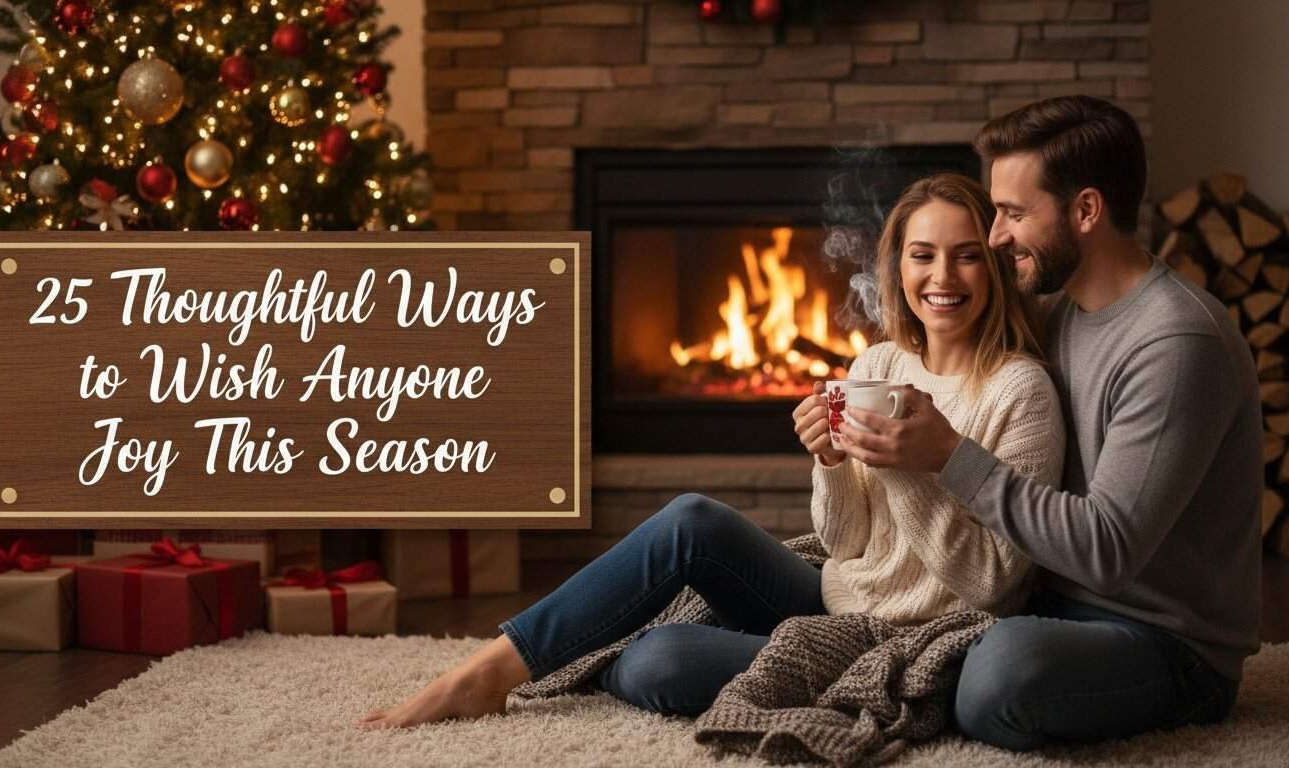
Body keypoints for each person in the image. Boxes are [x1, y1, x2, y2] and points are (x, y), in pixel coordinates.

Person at [356, 173, 1065, 729]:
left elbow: (991, 586)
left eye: (967, 256)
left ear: (994, 267)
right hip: (834, 598)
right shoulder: (878, 363)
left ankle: (596, 649)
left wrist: (909, 463)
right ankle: (485, 673)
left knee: (654, 663)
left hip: (909, 638)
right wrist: (831, 463)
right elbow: (845, 546)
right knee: (690, 517)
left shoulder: (1021, 393)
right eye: (923, 255)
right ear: (898, 266)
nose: (943, 277)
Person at [833, 95, 1263, 750]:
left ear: (1085, 210)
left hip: (1161, 640)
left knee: (999, 678)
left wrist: (947, 455)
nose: (995, 236)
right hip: (1043, 603)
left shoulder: (1176, 343)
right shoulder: (1055, 311)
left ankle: (883, 670)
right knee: (716, 536)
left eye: (1013, 213)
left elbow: (1106, 552)